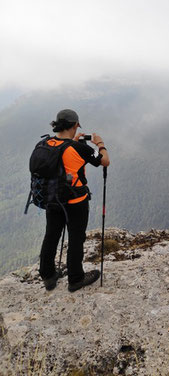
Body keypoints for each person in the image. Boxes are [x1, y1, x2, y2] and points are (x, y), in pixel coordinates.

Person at [39, 109, 110, 292]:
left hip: (52, 200)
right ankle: (76, 279)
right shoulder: (79, 148)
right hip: (75, 202)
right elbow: (105, 161)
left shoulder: (46, 143)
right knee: (76, 238)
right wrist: (100, 143)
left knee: (51, 235)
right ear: (74, 125)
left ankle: (47, 275)